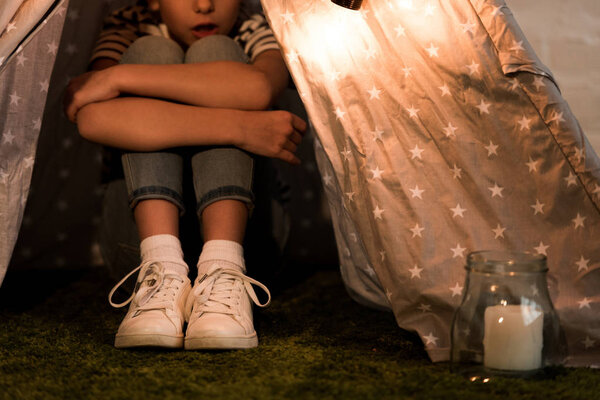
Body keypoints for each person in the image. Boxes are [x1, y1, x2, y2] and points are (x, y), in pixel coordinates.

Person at [63, 0, 306, 350]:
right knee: (150, 50)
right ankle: (161, 267)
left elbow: (258, 89)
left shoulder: (253, 27)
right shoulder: (130, 25)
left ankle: (223, 265)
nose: (204, 5)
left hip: (251, 247)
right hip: (137, 249)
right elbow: (91, 116)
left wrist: (119, 82)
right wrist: (241, 127)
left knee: (217, 50)